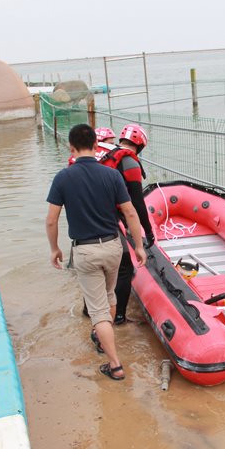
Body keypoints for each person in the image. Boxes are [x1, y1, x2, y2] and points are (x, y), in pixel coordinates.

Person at [46, 124, 146, 381]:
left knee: (98, 311)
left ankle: (114, 365)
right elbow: (130, 212)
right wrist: (137, 245)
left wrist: (54, 248)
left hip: (86, 251)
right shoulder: (112, 176)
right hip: (113, 245)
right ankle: (103, 337)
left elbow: (51, 220)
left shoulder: (63, 177)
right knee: (109, 297)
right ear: (96, 145)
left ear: (71, 147)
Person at [97, 123, 155, 325]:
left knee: (95, 270)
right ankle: (119, 316)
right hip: (108, 221)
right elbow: (137, 204)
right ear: (140, 145)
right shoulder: (129, 162)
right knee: (125, 269)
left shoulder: (104, 153)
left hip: (88, 217)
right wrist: (148, 233)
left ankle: (89, 311)